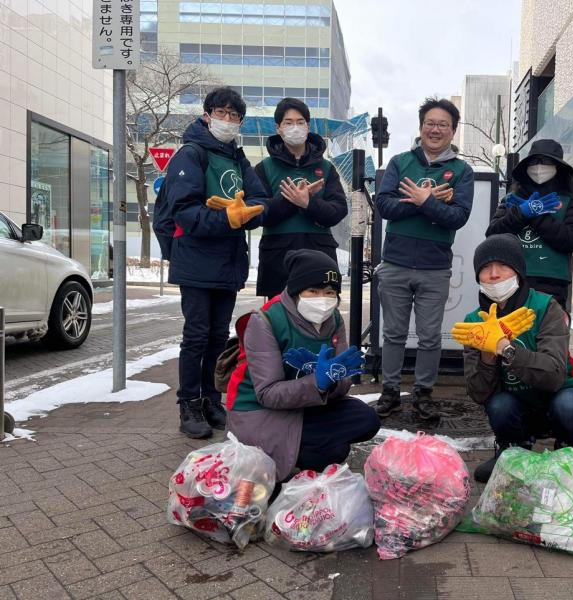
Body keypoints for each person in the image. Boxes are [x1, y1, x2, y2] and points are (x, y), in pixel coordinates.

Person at [226, 249, 381, 483]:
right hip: (260, 411)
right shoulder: (265, 320)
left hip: (306, 405)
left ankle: (307, 450)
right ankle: (289, 458)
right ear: (297, 290)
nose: (322, 299)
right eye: (313, 291)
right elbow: (267, 394)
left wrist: (335, 381)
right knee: (332, 450)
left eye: (330, 292)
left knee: (366, 419)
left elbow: (342, 385)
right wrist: (317, 383)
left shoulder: (334, 319)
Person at [164, 87, 267, 439]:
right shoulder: (191, 154)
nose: (227, 120)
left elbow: (260, 199)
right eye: (221, 113)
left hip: (228, 261)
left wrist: (247, 214)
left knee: (217, 336)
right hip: (195, 260)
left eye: (234, 116)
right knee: (196, 335)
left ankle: (211, 399)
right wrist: (228, 219)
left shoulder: (238, 159)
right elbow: (184, 211)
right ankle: (188, 403)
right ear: (207, 115)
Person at [453, 234, 573, 483]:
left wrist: (506, 349)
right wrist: (487, 354)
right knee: (499, 405)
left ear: (518, 271)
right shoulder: (474, 322)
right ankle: (511, 450)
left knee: (569, 404)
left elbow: (553, 375)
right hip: (518, 403)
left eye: (503, 266)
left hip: (558, 394)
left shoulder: (545, 307)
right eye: (485, 268)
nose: (494, 274)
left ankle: (570, 452)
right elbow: (479, 393)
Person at [374, 98, 475, 420]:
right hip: (395, 263)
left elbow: (458, 216)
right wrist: (427, 201)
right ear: (421, 127)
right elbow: (384, 206)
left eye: (443, 124)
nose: (436, 129)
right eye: (430, 123)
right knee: (393, 334)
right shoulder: (400, 162)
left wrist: (425, 202)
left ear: (453, 130)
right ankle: (389, 391)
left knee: (430, 337)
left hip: (435, 267)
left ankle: (423, 394)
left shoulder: (462, 171)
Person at [254, 97, 348, 299]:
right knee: (279, 314)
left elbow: (338, 210)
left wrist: (308, 203)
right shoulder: (264, 168)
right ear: (278, 128)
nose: (295, 128)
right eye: (288, 123)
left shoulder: (326, 168)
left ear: (308, 126)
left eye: (300, 122)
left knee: (320, 313)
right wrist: (291, 200)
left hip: (319, 256)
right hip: (277, 259)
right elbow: (258, 213)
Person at [485, 139, 573, 311]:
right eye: (534, 162)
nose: (539, 167)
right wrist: (520, 213)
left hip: (551, 282)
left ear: (557, 166)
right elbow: (493, 234)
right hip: (510, 280)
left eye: (546, 162)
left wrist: (536, 215)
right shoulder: (512, 198)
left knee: (548, 327)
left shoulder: (572, 199)